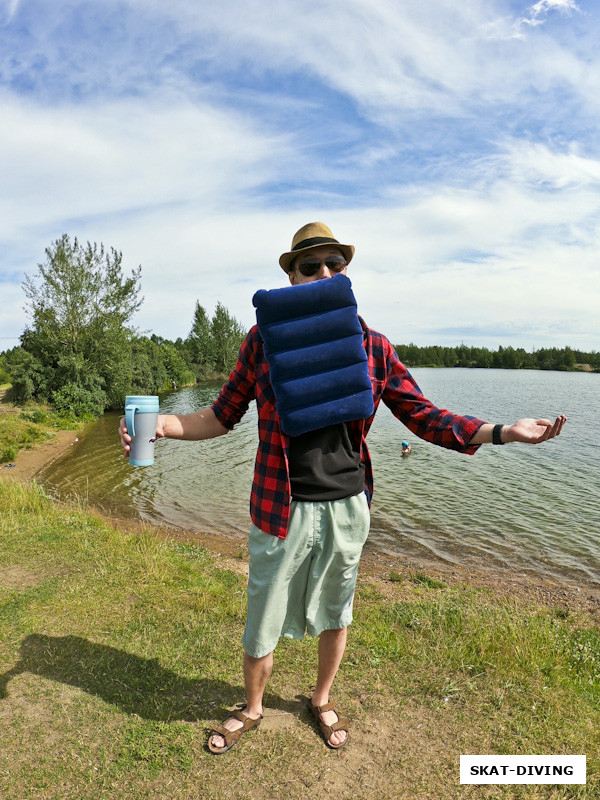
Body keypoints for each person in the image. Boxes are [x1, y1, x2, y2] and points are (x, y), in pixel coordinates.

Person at [119, 222, 567, 754]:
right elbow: (220, 416)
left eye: (336, 264)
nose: (325, 273)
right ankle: (255, 707)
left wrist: (501, 432)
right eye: (311, 266)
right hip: (278, 506)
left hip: (347, 506)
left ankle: (321, 697)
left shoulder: (371, 346)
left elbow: (423, 416)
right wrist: (164, 426)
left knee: (337, 610)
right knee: (263, 614)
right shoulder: (262, 344)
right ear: (290, 276)